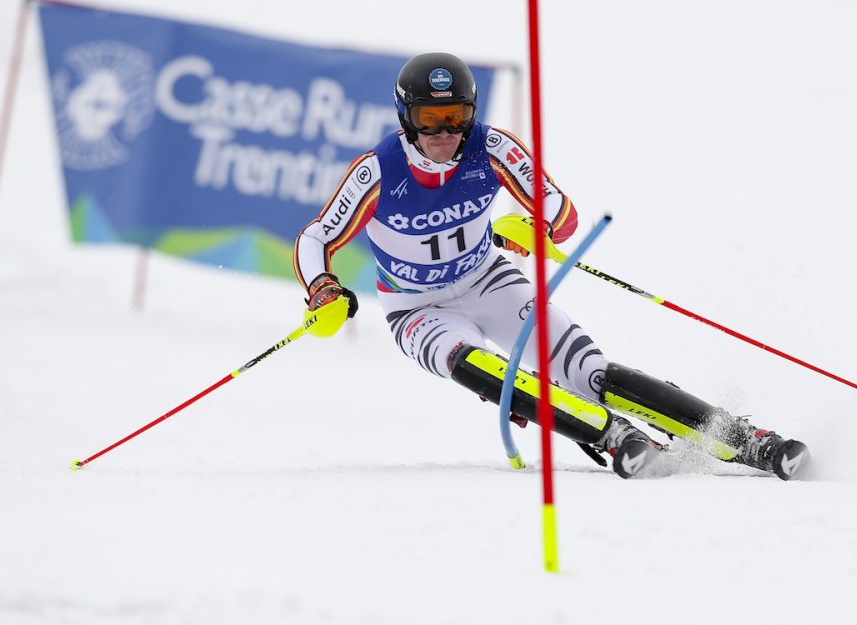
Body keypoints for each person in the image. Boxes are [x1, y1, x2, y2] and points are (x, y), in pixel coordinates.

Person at [294, 52, 809, 480]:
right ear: (406, 117)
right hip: (415, 308)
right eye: (430, 119)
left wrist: (536, 229)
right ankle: (613, 437)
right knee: (477, 365)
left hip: (488, 281)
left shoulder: (491, 148)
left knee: (591, 372)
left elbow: (560, 211)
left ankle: (748, 440)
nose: (445, 132)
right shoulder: (378, 171)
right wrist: (322, 289)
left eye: (457, 116)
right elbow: (318, 237)